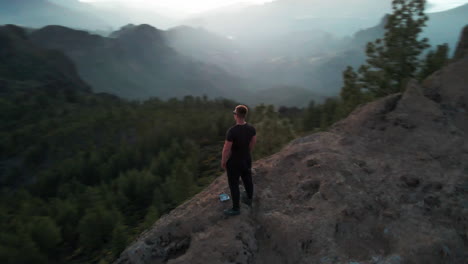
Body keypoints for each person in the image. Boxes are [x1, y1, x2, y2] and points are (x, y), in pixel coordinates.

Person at [221, 105, 257, 216]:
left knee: (234, 184)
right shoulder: (251, 129)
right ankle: (249, 198)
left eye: (234, 113)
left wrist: (223, 161)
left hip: (234, 162)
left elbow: (226, 149)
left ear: (236, 115)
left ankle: (236, 209)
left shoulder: (232, 131)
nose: (234, 115)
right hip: (246, 159)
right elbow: (252, 143)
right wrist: (246, 153)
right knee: (247, 179)